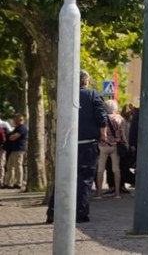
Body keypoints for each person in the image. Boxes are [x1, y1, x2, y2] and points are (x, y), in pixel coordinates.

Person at [47, 69, 108, 223]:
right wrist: (103, 135)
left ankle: (53, 212)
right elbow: (101, 117)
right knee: (84, 179)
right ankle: (80, 213)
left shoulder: (65, 95)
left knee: (63, 178)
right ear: (86, 80)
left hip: (67, 143)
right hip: (88, 143)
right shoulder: (93, 95)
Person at [95, 100, 127, 198]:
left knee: (100, 169)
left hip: (103, 146)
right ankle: (117, 193)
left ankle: (99, 193)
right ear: (115, 108)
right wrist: (126, 143)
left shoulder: (102, 118)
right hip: (115, 146)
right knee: (116, 169)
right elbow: (123, 134)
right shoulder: (120, 119)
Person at [4, 114, 28, 189]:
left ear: (20, 119)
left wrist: (10, 137)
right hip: (13, 149)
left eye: (15, 119)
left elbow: (13, 137)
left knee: (18, 166)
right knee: (10, 166)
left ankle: (19, 183)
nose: (14, 121)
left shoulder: (22, 128)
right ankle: (9, 183)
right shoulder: (16, 128)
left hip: (19, 149)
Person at [0, 117, 12, 186]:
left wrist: (2, 145)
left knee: (1, 164)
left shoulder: (4, 125)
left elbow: (5, 138)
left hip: (1, 149)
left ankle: (1, 180)